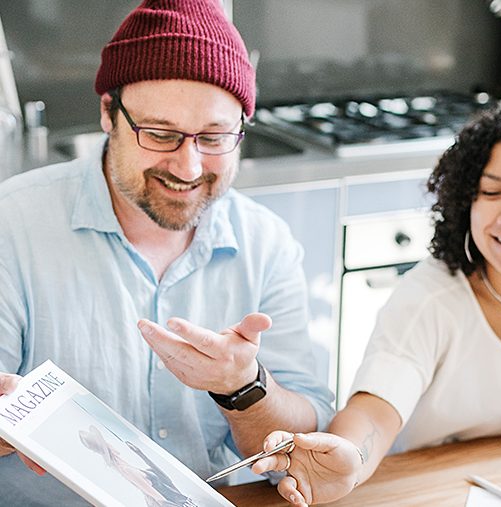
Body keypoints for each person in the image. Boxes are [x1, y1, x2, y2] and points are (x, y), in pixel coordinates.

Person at [0, 0, 333, 504]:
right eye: (159, 134)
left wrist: (244, 386)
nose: (188, 167)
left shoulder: (267, 243)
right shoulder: (12, 226)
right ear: (108, 113)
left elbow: (303, 443)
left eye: (215, 137)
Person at [253, 100, 501, 506]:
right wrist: (350, 457)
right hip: (432, 489)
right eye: (491, 192)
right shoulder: (430, 298)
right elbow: (374, 411)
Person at [79, 425, 200, 507]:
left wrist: (140, 454)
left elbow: (162, 477)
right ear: (107, 446)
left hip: (177, 500)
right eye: (106, 443)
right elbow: (157, 497)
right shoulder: (126, 470)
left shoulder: (126, 466)